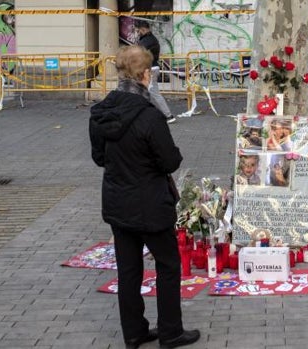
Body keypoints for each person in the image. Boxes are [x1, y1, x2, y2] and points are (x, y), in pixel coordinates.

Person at [89, 45, 199, 349]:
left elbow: (99, 157)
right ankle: (171, 331)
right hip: (151, 203)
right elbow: (170, 161)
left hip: (117, 201)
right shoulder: (149, 115)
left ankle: (135, 332)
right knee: (167, 265)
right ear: (145, 75)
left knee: (128, 270)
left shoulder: (101, 111)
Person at [135, 19, 176, 124]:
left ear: (143, 29)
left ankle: (168, 116)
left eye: (138, 30)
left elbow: (138, 54)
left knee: (153, 93)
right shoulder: (149, 39)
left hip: (149, 70)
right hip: (150, 69)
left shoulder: (146, 41)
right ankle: (145, 115)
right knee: (144, 92)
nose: (137, 32)